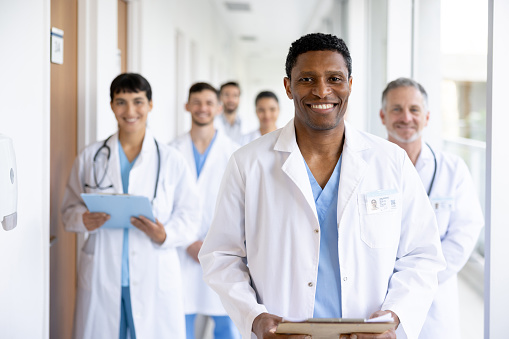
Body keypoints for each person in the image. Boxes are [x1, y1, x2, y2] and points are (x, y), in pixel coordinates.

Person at [199, 33, 445, 339]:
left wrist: (394, 317)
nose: (322, 90)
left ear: (350, 85)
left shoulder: (390, 162)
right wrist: (255, 317)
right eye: (307, 79)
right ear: (288, 87)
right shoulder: (248, 163)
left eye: (334, 78)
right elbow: (221, 256)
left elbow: (421, 255)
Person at [61, 73, 200, 339]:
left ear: (150, 105)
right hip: (103, 271)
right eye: (121, 102)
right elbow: (68, 210)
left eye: (138, 102)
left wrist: (165, 234)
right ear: (112, 106)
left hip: (154, 272)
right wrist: (82, 220)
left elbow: (190, 216)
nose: (130, 111)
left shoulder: (171, 159)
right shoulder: (90, 157)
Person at [379, 77, 484, 339]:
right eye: (396, 109)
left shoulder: (452, 169)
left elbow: (465, 230)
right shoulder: (367, 168)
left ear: (426, 117)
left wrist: (421, 278)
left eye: (414, 109)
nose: (406, 117)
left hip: (435, 299)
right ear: (383, 116)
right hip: (379, 296)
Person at [171, 82, 240, 339]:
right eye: (197, 102)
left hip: (221, 252)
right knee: (179, 326)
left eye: (209, 103)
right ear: (187, 106)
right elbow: (165, 204)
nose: (203, 108)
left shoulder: (234, 153)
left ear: (219, 108)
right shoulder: (170, 151)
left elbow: (241, 207)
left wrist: (211, 243)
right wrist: (188, 241)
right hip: (181, 250)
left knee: (227, 326)